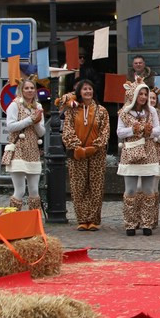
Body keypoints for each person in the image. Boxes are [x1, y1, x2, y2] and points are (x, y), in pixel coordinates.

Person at [60, 79, 109, 231]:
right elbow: (67, 130)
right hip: (77, 153)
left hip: (96, 154)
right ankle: (82, 218)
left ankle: (93, 219)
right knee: (78, 186)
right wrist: (77, 147)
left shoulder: (102, 111)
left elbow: (105, 131)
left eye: (90, 89)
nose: (88, 92)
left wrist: (94, 147)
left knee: (95, 186)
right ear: (79, 92)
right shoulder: (72, 110)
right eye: (84, 89)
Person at [116, 81, 160, 236]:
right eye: (140, 94)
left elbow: (158, 130)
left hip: (148, 151)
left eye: (145, 94)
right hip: (130, 152)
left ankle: (147, 222)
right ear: (134, 95)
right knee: (130, 189)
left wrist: (149, 131)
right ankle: (130, 223)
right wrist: (132, 130)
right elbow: (119, 132)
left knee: (148, 189)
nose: (143, 97)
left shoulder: (152, 112)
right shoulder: (124, 112)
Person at [3, 76, 46, 212]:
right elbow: (10, 126)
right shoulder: (14, 105)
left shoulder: (38, 107)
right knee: (20, 190)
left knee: (34, 190)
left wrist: (37, 122)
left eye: (32, 88)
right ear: (21, 90)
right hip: (18, 151)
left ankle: (34, 222)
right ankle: (14, 220)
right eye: (26, 88)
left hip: (33, 150)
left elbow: (41, 132)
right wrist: (30, 120)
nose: (29, 90)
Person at [144, 87, 160, 233]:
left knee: (153, 187)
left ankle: (153, 218)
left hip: (157, 152)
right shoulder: (141, 114)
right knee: (141, 187)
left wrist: (151, 134)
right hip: (143, 152)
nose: (151, 100)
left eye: (154, 98)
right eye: (149, 98)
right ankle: (142, 217)